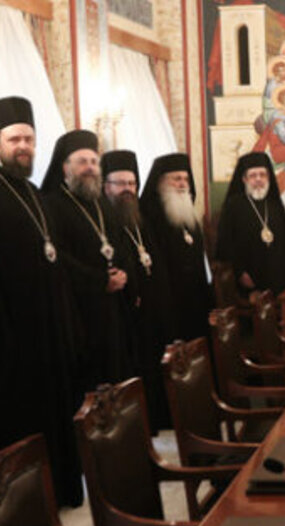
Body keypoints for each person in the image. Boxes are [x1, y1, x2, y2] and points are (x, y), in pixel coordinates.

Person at [0, 96, 84, 507]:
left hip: (49, 337)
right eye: (15, 139)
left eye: (29, 138)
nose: (24, 146)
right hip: (11, 345)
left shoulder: (33, 193)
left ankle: (61, 491)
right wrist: (3, 345)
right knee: (23, 425)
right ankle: (30, 508)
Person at [42, 130, 135, 393]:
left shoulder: (101, 204)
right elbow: (58, 257)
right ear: (65, 167)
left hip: (112, 308)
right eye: (82, 162)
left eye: (94, 162)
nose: (90, 168)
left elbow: (120, 243)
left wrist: (123, 273)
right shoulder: (51, 205)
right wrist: (99, 281)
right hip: (79, 311)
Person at [102, 149, 175, 432]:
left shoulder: (139, 217)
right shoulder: (105, 220)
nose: (127, 190)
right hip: (127, 313)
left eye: (132, 183)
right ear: (106, 186)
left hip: (152, 311)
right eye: (120, 183)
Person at [139, 153, 213, 342]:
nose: (182, 184)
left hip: (194, 292)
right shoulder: (149, 216)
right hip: (168, 296)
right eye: (176, 179)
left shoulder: (188, 213)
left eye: (186, 179)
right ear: (160, 183)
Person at [216, 151, 285, 295]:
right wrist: (240, 272)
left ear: (269, 177)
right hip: (248, 280)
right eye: (253, 175)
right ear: (244, 179)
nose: (258, 179)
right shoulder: (234, 206)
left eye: (262, 175)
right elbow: (226, 244)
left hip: (279, 279)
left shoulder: (274, 205)